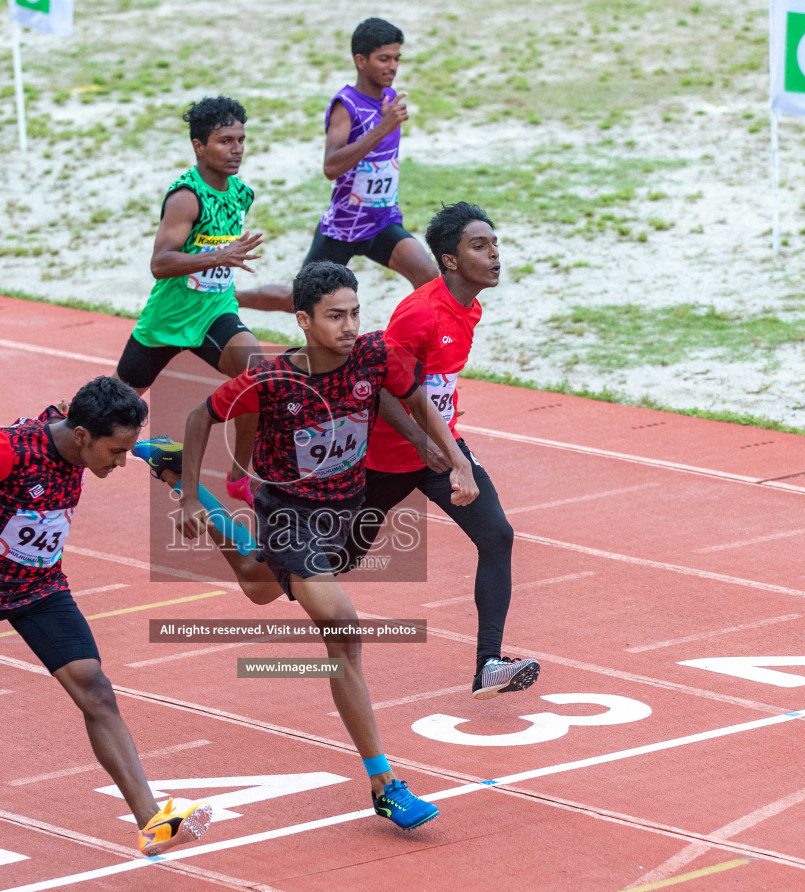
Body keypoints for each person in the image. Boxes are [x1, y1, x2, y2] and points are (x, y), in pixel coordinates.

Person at [136, 262, 474, 831]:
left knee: (258, 584)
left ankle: (170, 473)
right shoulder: (270, 380)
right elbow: (200, 416)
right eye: (335, 316)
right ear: (303, 320)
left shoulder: (372, 357)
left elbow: (414, 400)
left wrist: (455, 459)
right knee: (344, 630)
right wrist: (194, 498)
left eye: (355, 313)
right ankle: (385, 784)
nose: (349, 325)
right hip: (289, 512)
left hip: (346, 511)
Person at [0, 376, 212, 858]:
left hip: (40, 587)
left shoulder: (78, 425)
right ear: (81, 437)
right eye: (115, 452)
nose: (119, 463)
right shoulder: (4, 451)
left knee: (95, 690)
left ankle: (151, 820)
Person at [339, 202, 540, 700]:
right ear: (449, 260)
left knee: (497, 536)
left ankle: (488, 664)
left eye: (495, 244)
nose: (494, 255)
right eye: (480, 246)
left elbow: (433, 385)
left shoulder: (470, 307)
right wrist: (421, 441)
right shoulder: (419, 312)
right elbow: (381, 388)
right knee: (335, 560)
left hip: (438, 449)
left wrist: (447, 445)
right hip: (382, 459)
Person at [114, 95, 268, 506]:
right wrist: (220, 256)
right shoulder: (186, 196)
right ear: (199, 146)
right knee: (109, 415)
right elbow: (160, 263)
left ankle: (239, 476)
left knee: (257, 374)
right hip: (167, 320)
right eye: (224, 141)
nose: (236, 149)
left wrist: (223, 266)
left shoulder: (241, 194)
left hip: (214, 313)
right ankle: (54, 437)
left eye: (241, 139)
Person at [237, 17, 439, 314]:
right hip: (343, 228)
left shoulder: (390, 100)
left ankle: (419, 354)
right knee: (298, 301)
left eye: (397, 58)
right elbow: (331, 167)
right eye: (383, 59)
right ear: (361, 60)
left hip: (381, 222)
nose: (393, 66)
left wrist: (384, 125)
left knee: (430, 279)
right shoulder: (346, 105)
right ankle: (229, 299)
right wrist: (382, 129)